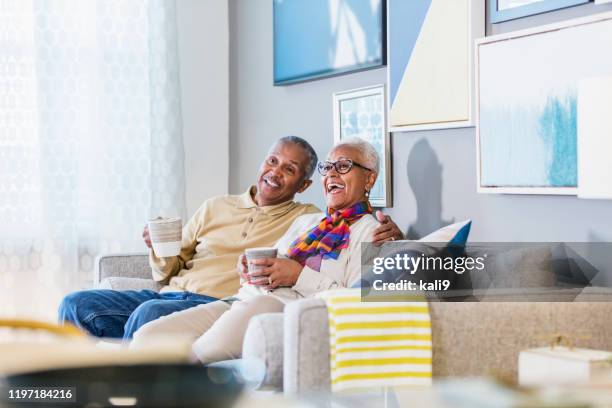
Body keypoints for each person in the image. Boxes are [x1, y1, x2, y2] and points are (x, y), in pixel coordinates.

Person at [58, 136, 403, 339]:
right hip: (170, 292)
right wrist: (157, 247)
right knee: (75, 304)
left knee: (150, 314)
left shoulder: (305, 218)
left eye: (289, 169)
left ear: (303, 185)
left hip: (215, 301)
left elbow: (346, 217)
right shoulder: (215, 207)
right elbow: (166, 271)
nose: (275, 173)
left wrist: (392, 236)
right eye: (272, 161)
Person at [131, 137, 382, 364]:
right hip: (240, 300)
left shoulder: (374, 233)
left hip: (281, 309)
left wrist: (298, 276)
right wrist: (247, 267)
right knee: (147, 337)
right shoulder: (309, 222)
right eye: (327, 168)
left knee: (200, 352)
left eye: (343, 166)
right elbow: (271, 260)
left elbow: (358, 304)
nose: (331, 174)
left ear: (369, 178)